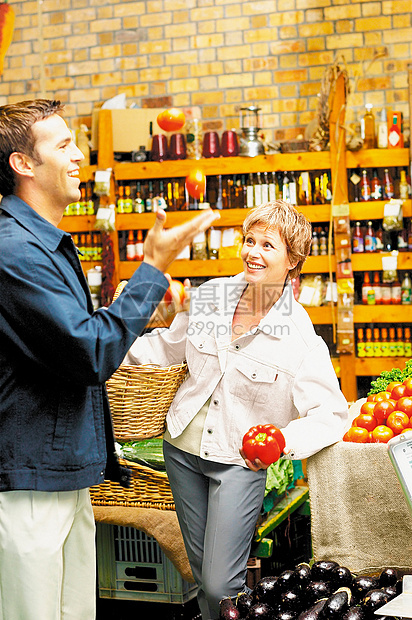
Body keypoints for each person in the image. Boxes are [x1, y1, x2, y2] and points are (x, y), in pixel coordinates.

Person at [0, 98, 219, 620]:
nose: (79, 156)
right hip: (28, 480)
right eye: (64, 145)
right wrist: (152, 270)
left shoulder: (44, 244)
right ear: (24, 165)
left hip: (63, 474)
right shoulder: (15, 251)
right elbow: (90, 351)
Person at [123, 200, 348, 619]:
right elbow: (166, 347)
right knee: (199, 574)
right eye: (249, 240)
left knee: (219, 583)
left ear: (293, 260)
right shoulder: (212, 296)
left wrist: (284, 440)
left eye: (268, 244)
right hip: (182, 449)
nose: (253, 252)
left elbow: (331, 413)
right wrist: (105, 350)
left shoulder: (298, 337)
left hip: (238, 461)